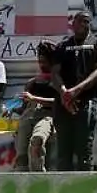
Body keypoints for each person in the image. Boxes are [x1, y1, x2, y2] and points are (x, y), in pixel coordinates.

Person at [51, 11, 97, 171]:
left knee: (84, 150)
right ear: (72, 24)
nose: (83, 24)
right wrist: (64, 93)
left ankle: (85, 192)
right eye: (80, 21)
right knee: (63, 152)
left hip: (86, 102)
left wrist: (76, 91)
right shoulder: (62, 45)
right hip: (63, 104)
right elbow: (55, 72)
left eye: (86, 21)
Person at [13, 42, 58, 171]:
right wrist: (12, 109)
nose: (42, 65)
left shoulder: (58, 81)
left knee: (37, 141)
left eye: (45, 62)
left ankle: (38, 177)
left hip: (47, 117)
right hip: (28, 116)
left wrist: (35, 99)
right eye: (40, 61)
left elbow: (58, 102)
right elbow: (23, 107)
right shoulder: (32, 83)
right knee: (21, 156)